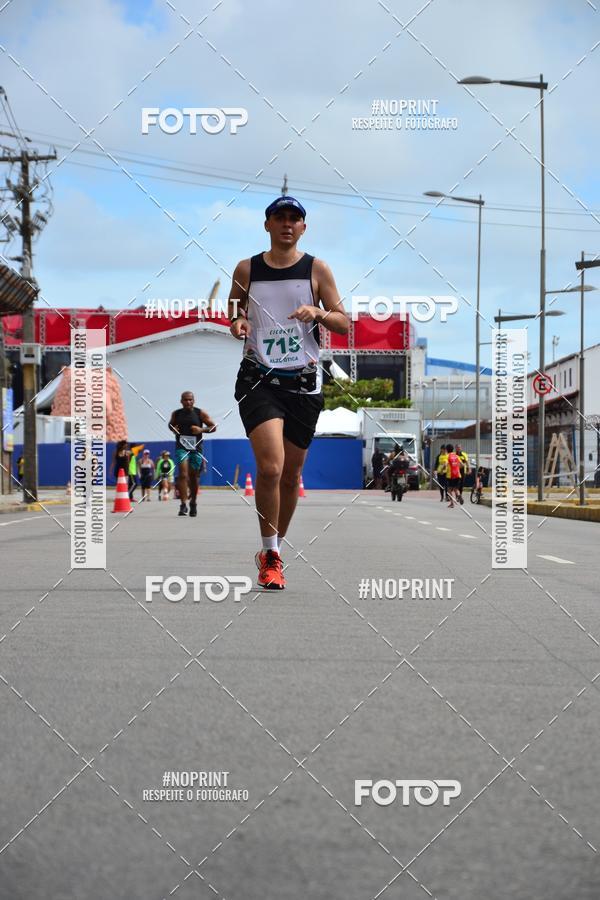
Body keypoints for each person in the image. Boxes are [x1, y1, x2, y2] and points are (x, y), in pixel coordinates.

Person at [228, 195, 348, 590]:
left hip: (304, 382)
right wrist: (238, 323)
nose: (286, 224)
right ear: (267, 225)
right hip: (259, 379)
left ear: (303, 227)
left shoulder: (317, 269)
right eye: (279, 217)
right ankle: (271, 556)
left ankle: (273, 548)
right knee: (271, 467)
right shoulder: (247, 269)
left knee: (292, 474)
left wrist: (319, 312)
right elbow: (234, 309)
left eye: (294, 218)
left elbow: (344, 322)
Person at [169, 391, 216, 517]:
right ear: (181, 401)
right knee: (183, 475)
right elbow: (170, 425)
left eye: (190, 399)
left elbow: (213, 427)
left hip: (196, 448)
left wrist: (201, 429)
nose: (188, 402)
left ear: (194, 401)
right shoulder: (176, 414)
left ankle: (193, 502)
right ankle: (183, 504)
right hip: (181, 447)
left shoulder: (200, 413)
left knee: (193, 476)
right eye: (185, 399)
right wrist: (173, 429)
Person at [445, 444, 462, 508]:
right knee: (456, 489)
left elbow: (445, 464)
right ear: (453, 449)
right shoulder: (456, 456)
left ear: (447, 450)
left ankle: (452, 503)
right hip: (458, 474)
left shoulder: (447, 456)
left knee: (449, 490)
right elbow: (462, 464)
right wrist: (457, 467)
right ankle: (459, 495)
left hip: (450, 476)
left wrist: (443, 469)